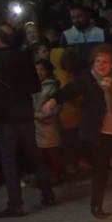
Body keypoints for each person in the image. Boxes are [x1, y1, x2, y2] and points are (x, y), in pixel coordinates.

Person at [45, 44, 112, 219]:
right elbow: (70, 90)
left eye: (105, 62)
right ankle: (97, 206)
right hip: (100, 134)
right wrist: (54, 100)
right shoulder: (88, 78)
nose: (101, 65)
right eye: (98, 61)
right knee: (101, 172)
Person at [0, 23, 55, 217]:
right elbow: (35, 85)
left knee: (9, 161)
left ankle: (16, 204)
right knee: (34, 157)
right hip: (24, 115)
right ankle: (48, 194)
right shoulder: (23, 56)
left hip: (6, 119)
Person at [32, 58, 64, 186]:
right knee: (40, 154)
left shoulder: (52, 86)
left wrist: (40, 115)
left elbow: (56, 106)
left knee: (52, 152)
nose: (39, 72)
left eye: (42, 70)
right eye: (36, 70)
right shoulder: (32, 85)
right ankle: (43, 176)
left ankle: (56, 175)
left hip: (49, 123)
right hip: (36, 125)